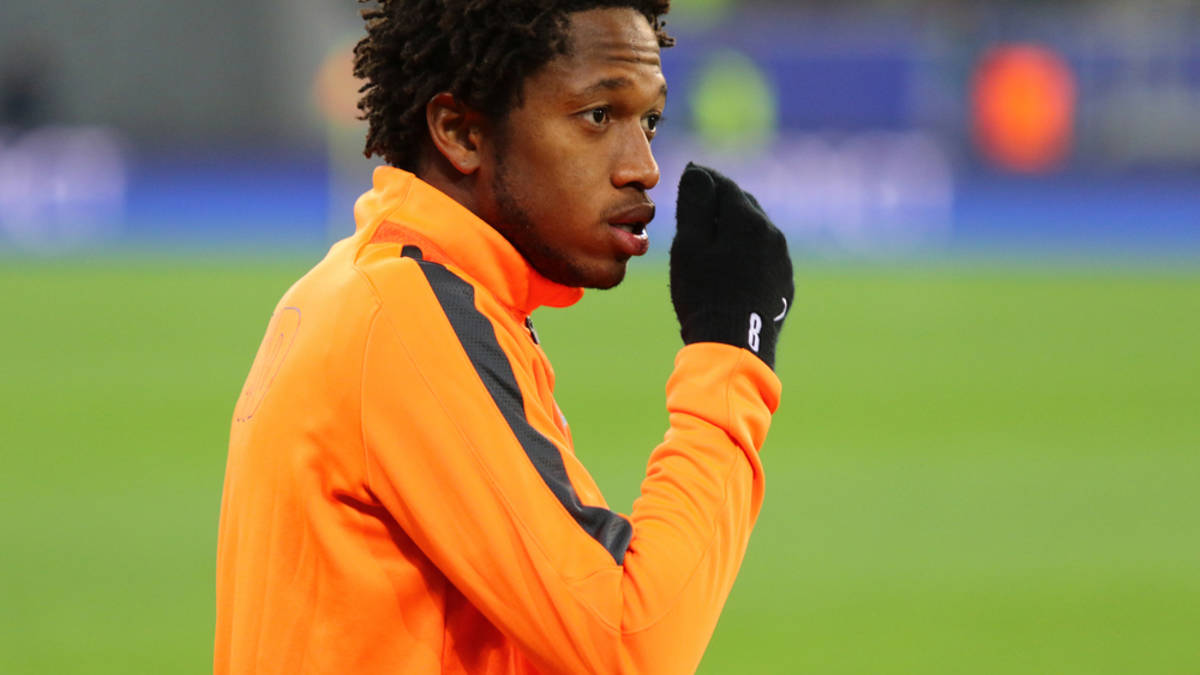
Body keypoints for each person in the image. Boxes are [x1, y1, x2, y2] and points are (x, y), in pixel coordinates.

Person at [214, 1, 794, 673]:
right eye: (598, 116)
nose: (643, 166)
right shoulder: (406, 316)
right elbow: (630, 641)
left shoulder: (369, 287)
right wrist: (731, 354)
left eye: (650, 121)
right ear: (461, 133)